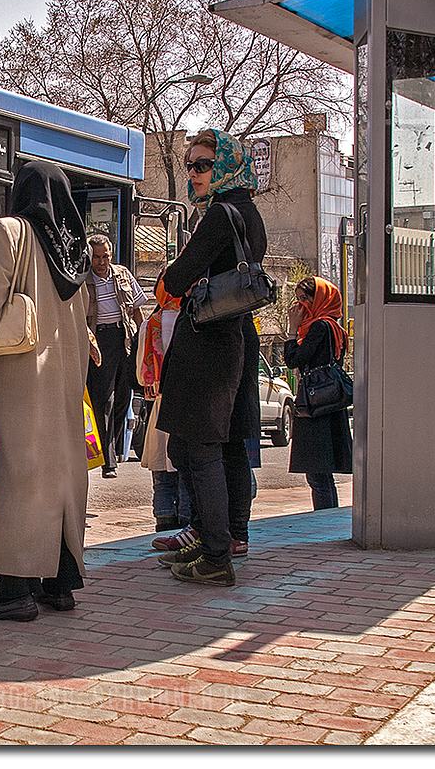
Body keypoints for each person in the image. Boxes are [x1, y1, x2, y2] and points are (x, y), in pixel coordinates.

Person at [0, 161, 92, 621]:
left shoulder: (6, 232)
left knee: (15, 482)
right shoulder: (74, 249)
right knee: (59, 481)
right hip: (65, 386)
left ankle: (14, 591)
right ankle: (60, 582)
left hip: (16, 384)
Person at [155, 129, 267, 588]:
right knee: (189, 447)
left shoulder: (221, 215)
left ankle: (217, 554)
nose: (194, 174)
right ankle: (206, 537)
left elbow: (178, 278)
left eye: (203, 165)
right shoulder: (249, 214)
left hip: (208, 346)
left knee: (199, 450)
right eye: (190, 166)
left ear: (224, 167)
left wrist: (170, 279)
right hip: (227, 341)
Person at [284, 276, 353, 511]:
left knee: (318, 476)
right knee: (322, 475)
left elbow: (294, 360)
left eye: (305, 298)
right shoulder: (335, 327)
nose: (300, 305)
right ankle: (328, 516)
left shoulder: (319, 327)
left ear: (320, 299)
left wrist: (292, 331)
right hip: (328, 402)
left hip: (317, 405)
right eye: (298, 298)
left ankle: (325, 517)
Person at [85, 234, 148, 478]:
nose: (101, 262)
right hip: (99, 340)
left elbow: (137, 310)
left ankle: (114, 444)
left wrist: (143, 339)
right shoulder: (85, 280)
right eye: (97, 258)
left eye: (105, 257)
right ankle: (108, 461)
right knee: (105, 401)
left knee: (124, 396)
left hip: (125, 338)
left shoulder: (121, 274)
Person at [137, 274, 193, 533]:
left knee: (162, 472)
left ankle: (163, 518)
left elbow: (141, 372)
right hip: (187, 402)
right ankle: (186, 520)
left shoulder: (152, 324)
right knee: (185, 468)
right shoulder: (193, 319)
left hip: (160, 403)